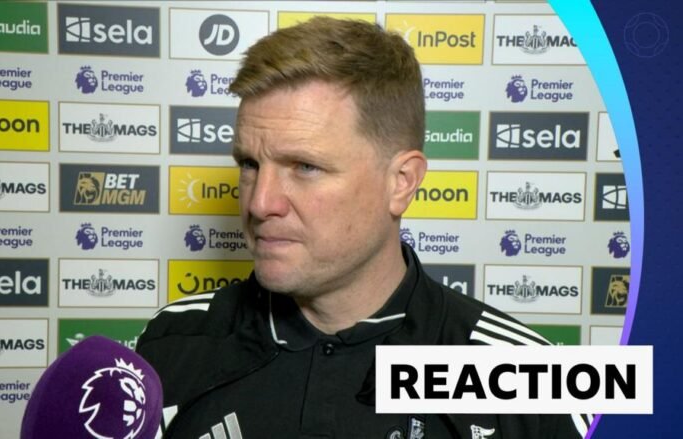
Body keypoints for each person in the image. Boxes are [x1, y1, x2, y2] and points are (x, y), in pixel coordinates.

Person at [137, 17, 591, 438]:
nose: (260, 203)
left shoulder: (521, 378)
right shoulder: (174, 343)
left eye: (305, 166)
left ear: (401, 182)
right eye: (250, 164)